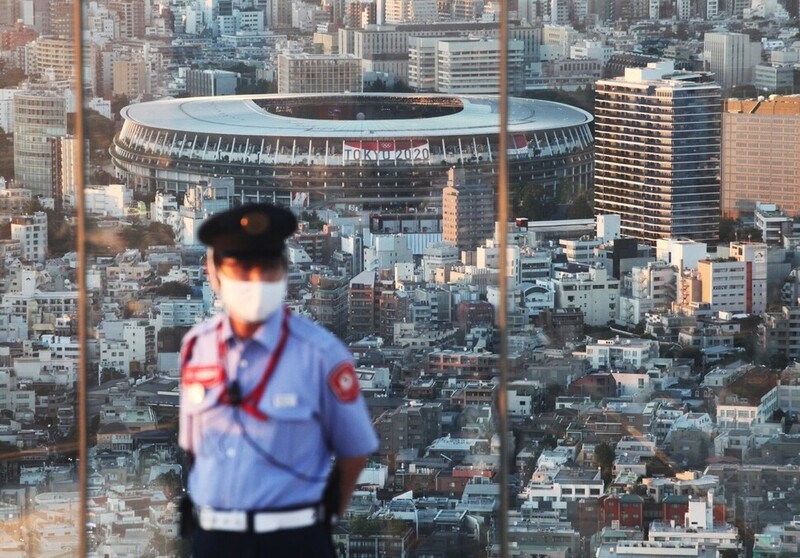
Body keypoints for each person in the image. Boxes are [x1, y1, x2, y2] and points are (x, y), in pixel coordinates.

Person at [178, 203, 378, 558]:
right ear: (213, 272)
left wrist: (319, 520)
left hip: (293, 539)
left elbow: (354, 454)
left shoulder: (321, 354)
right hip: (214, 540)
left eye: (267, 268)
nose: (255, 280)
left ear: (284, 272)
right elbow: (194, 449)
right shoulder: (197, 348)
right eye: (241, 267)